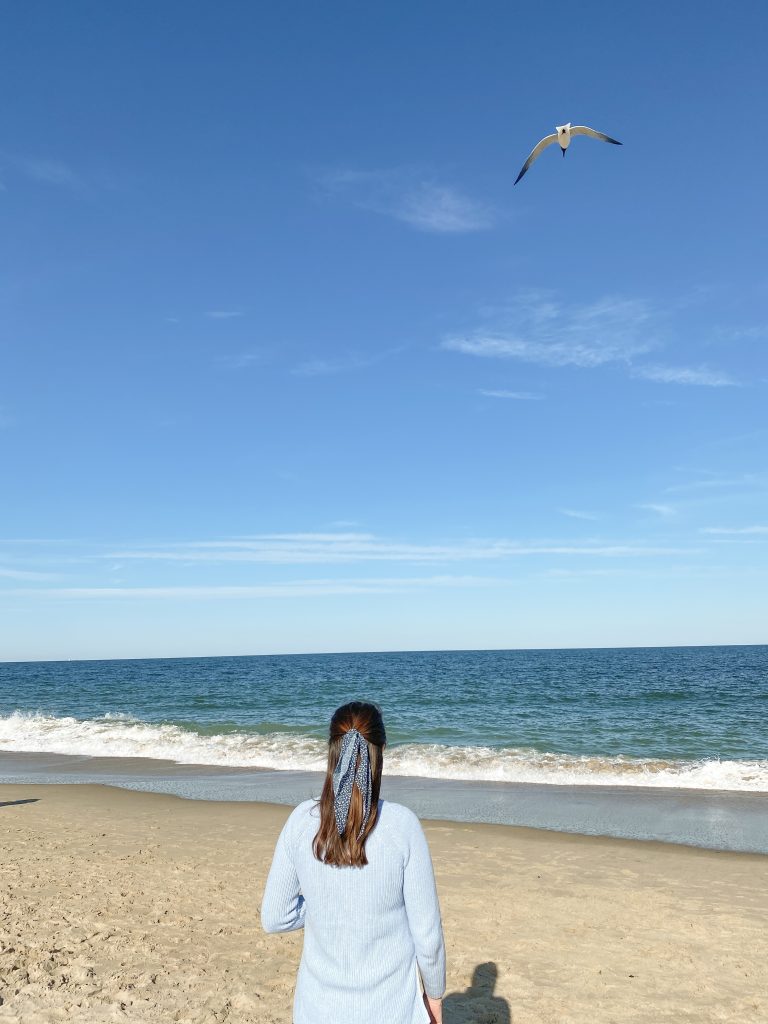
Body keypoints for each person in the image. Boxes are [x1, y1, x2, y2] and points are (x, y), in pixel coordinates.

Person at [261, 701, 446, 1024]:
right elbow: (427, 937)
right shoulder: (402, 826)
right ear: (382, 751)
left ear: (332, 751)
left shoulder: (302, 821)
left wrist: (325, 905)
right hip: (391, 1011)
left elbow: (274, 917)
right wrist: (434, 998)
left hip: (317, 1012)